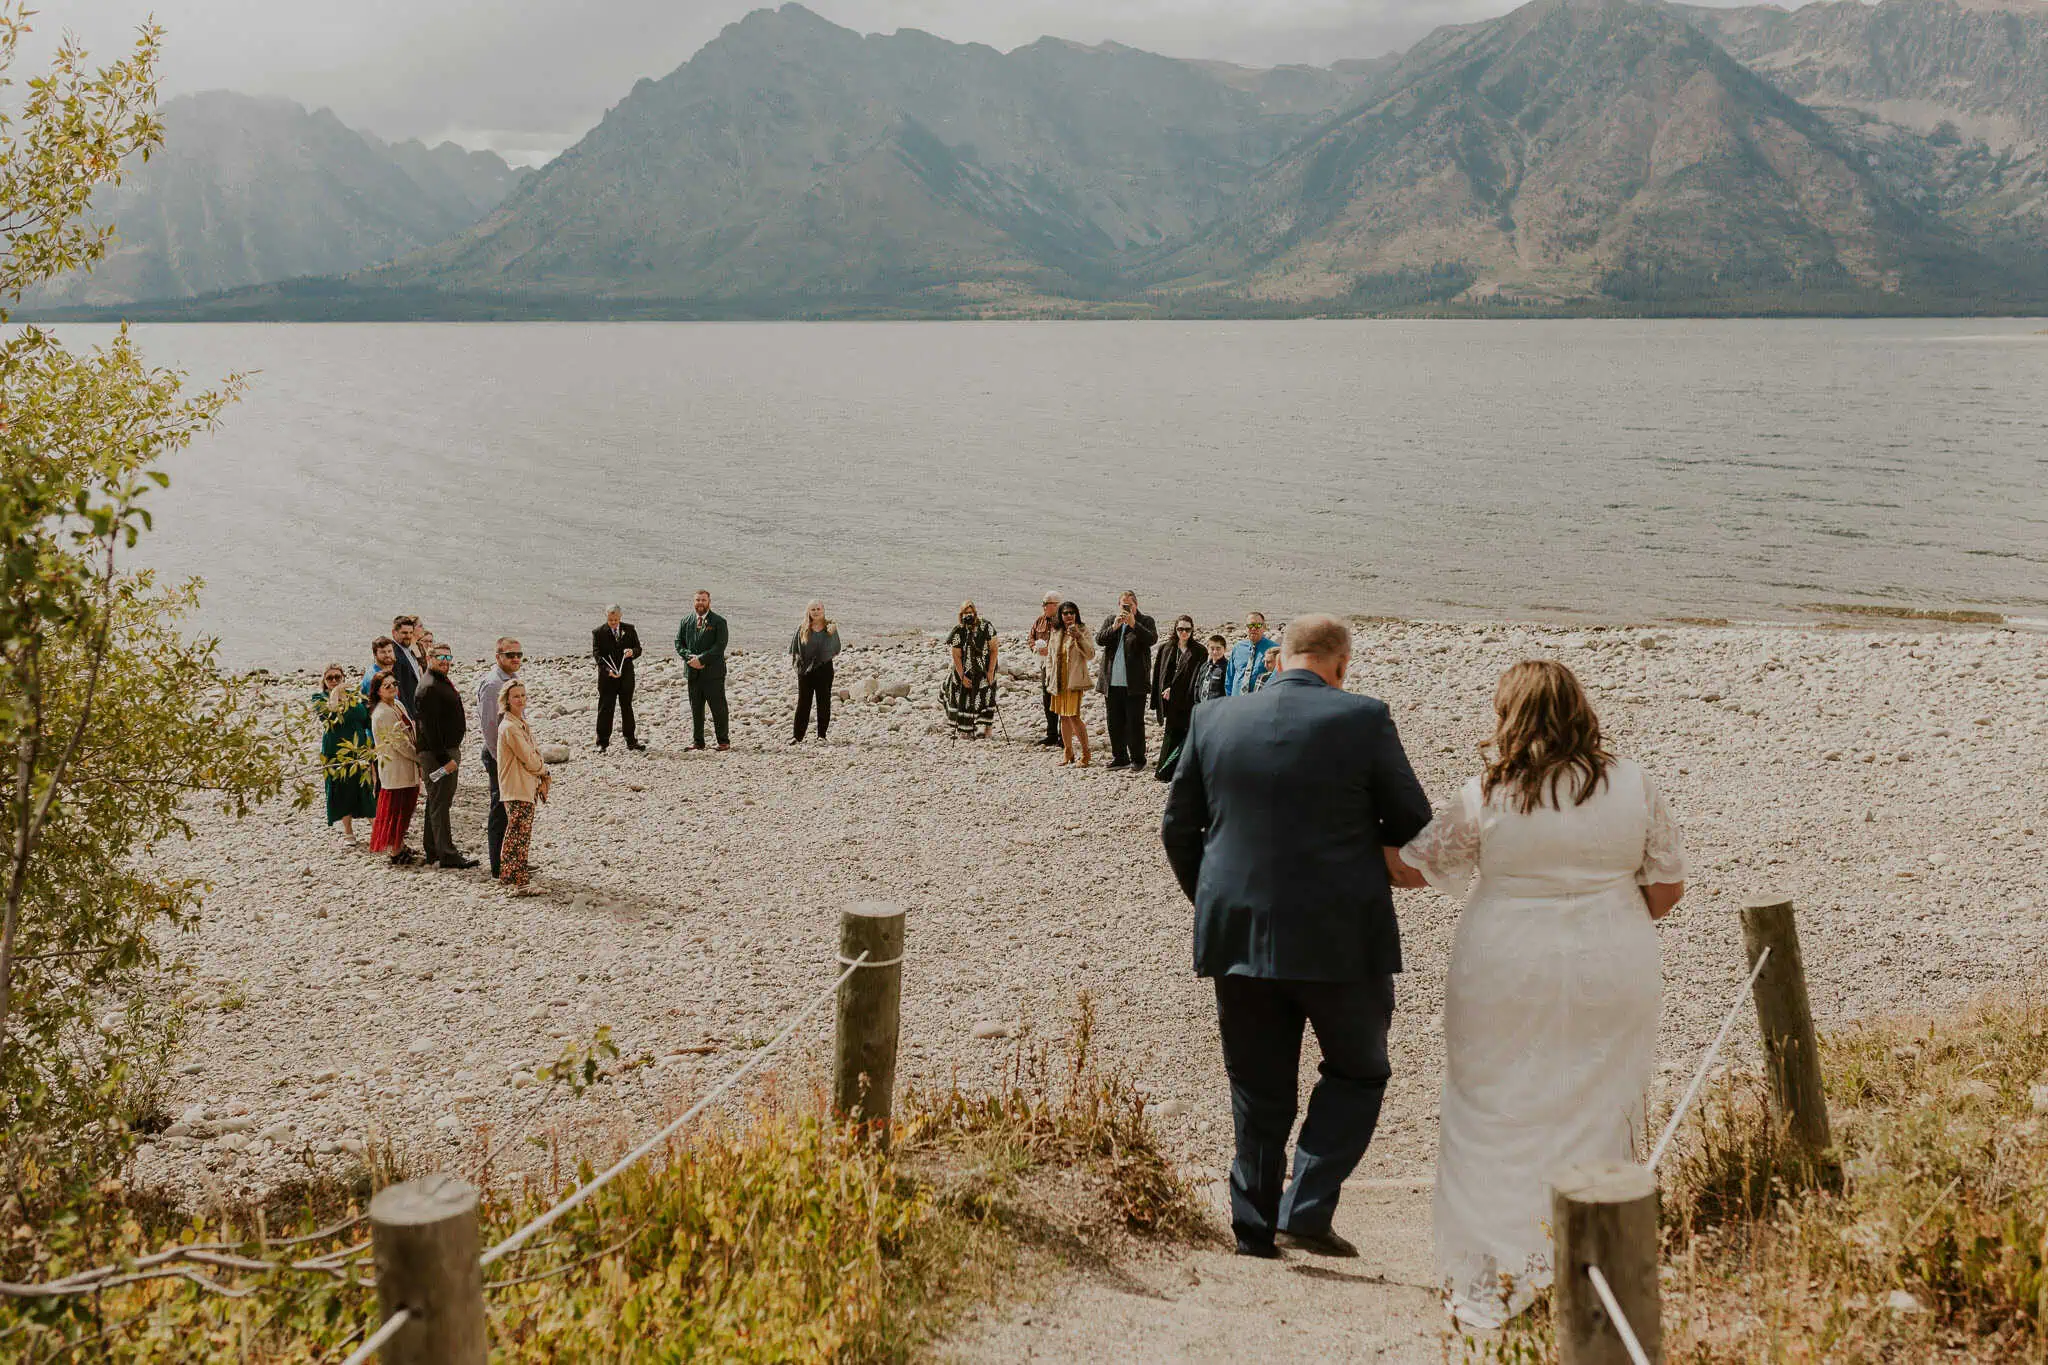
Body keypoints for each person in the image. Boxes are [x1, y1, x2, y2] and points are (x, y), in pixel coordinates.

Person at [1394, 660, 1687, 1329]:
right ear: (1580, 709)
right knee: (1603, 1099)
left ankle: (1493, 1271)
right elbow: (1667, 888)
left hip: (1503, 964)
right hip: (1613, 960)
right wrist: (1602, 904)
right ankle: (1588, 1256)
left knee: (1491, 1108)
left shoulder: (1487, 793)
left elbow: (1415, 868)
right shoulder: (1635, 784)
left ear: (1510, 716)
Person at [1160, 613, 1431, 1260]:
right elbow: (1415, 821)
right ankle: (1305, 1209)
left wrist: (1217, 903)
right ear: (1341, 663)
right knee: (1360, 1071)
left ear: (1279, 658)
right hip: (1342, 938)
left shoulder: (1215, 719)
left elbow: (1178, 829)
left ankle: (1253, 1228)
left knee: (1256, 1084)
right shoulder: (1364, 718)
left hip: (1239, 935)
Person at [413, 641, 477, 869]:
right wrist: (445, 760)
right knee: (440, 801)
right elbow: (428, 729)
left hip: (443, 752)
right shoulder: (429, 686)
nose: (445, 661)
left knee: (436, 800)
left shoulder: (437, 681)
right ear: (429, 658)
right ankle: (447, 854)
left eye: (448, 658)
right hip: (437, 756)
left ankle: (433, 849)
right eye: (440, 657)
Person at [495, 678, 551, 894]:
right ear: (507, 700)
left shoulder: (519, 723)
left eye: (523, 695)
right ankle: (518, 882)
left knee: (519, 834)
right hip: (517, 786)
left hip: (523, 785)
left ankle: (512, 879)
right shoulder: (510, 727)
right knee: (518, 835)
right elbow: (529, 758)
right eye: (516, 696)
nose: (520, 700)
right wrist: (544, 772)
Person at [1095, 590, 1158, 771]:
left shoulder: (1146, 621)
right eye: (1123, 604)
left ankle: (1138, 758)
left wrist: (1133, 624)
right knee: (1114, 722)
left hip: (1135, 684)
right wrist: (1114, 627)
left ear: (1136, 605)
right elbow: (1099, 640)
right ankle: (1120, 757)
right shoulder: (1111, 620)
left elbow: (1151, 639)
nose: (1126, 608)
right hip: (1112, 683)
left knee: (1134, 723)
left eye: (1129, 604)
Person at [476, 637, 522, 878]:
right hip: (498, 755)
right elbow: (488, 725)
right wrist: (501, 758)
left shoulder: (512, 680)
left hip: (510, 753)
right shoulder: (493, 684)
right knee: (499, 808)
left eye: (518, 655)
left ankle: (512, 859)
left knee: (512, 807)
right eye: (510, 655)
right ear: (498, 657)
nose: (515, 659)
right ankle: (498, 866)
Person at [315, 663, 377, 842]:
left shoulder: (355, 697)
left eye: (337, 677)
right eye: (330, 678)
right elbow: (330, 714)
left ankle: (376, 828)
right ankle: (348, 831)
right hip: (335, 750)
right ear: (324, 681)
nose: (334, 681)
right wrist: (336, 693)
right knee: (340, 788)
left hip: (359, 748)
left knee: (364, 788)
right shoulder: (319, 698)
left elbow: (366, 719)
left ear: (343, 678)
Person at [368, 672, 422, 865]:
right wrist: (420, 758)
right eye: (386, 686)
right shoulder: (382, 713)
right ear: (378, 691)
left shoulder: (397, 705)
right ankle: (395, 850)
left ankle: (399, 843)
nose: (392, 687)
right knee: (396, 809)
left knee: (406, 807)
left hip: (405, 765)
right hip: (396, 767)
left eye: (394, 683)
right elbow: (400, 743)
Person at [1150, 616, 1204, 782]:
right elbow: (1159, 673)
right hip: (1169, 700)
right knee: (1170, 734)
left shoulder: (1199, 651)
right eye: (1180, 629)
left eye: (1187, 629)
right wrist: (1161, 693)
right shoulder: (1167, 648)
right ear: (1175, 629)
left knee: (1186, 735)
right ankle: (1164, 772)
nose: (1184, 633)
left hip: (1188, 699)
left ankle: (1182, 773)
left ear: (1192, 630)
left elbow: (1198, 677)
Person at [675, 589, 730, 751]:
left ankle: (723, 741)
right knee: (696, 709)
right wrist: (689, 658)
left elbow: (720, 646)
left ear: (709, 602)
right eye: (698, 600)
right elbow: (679, 643)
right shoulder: (686, 621)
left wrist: (702, 659)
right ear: (694, 602)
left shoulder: (719, 622)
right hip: (693, 672)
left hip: (713, 673)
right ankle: (698, 742)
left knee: (718, 708)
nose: (700, 603)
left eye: (703, 600)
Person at [1045, 600, 1094, 767]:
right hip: (1058, 680)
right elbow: (1050, 657)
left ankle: (1086, 752)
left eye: (1072, 612)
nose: (1068, 616)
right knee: (1063, 716)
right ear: (1060, 615)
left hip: (1074, 680)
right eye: (1065, 613)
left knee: (1074, 716)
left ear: (1076, 614)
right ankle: (1068, 751)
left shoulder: (1083, 630)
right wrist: (1049, 678)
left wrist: (1078, 637)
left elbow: (1090, 654)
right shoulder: (1056, 631)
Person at [943, 600, 999, 739]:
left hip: (984, 667)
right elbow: (956, 654)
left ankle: (987, 728)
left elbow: (994, 649)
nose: (968, 616)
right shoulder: (959, 630)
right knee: (962, 695)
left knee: (987, 695)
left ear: (975, 613)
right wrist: (961, 674)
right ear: (961, 615)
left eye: (970, 613)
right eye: (965, 613)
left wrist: (991, 671)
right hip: (965, 667)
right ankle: (965, 728)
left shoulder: (986, 626)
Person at [594, 605, 645, 752]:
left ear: (620, 617)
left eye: (616, 620)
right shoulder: (598, 632)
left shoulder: (629, 629)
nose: (613, 622)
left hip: (626, 676)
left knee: (627, 707)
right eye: (610, 620)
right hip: (607, 678)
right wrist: (608, 670)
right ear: (606, 617)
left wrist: (632, 652)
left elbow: (638, 649)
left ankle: (631, 741)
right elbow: (597, 655)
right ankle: (602, 743)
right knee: (605, 709)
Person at [789, 600, 841, 743]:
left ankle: (821, 736)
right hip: (805, 670)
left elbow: (836, 648)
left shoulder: (830, 627)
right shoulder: (802, 628)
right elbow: (794, 650)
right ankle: (797, 736)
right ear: (808, 611)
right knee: (803, 703)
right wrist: (799, 667)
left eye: (818, 609)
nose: (816, 612)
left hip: (824, 668)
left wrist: (829, 639)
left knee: (823, 701)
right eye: (813, 609)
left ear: (823, 610)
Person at [1027, 592, 1063, 746]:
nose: (1043, 606)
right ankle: (1052, 734)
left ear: (1055, 605)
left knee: (1061, 699)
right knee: (1047, 698)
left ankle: (1063, 735)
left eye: (1045, 603)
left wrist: (1051, 649)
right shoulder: (1039, 620)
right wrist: (1035, 647)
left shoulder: (1063, 621)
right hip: (1044, 666)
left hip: (1060, 666)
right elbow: (1031, 637)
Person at [1224, 613, 1278, 696]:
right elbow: (1229, 677)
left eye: (1258, 625)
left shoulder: (1274, 649)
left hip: (1259, 703)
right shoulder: (1238, 648)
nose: (1253, 628)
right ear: (1246, 628)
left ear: (1264, 627)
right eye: (1250, 625)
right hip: (1236, 702)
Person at [387, 616, 424, 719]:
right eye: (404, 633)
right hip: (408, 710)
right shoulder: (394, 655)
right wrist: (407, 716)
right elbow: (400, 690)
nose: (408, 636)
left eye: (411, 633)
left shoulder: (408, 650)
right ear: (394, 633)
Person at [360, 636, 397, 701]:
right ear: (375, 654)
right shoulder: (373, 678)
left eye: (390, 651)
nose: (387, 655)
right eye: (383, 652)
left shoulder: (386, 672)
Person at [1197, 634, 1230, 706]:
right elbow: (1197, 685)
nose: (1215, 652)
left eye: (1218, 648)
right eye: (1212, 648)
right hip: (1201, 706)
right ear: (1208, 649)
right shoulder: (1204, 666)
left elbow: (1227, 691)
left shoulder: (1227, 668)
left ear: (1225, 649)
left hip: (1217, 709)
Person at [1250, 627, 1286, 693]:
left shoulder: (1264, 678)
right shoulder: (1263, 677)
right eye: (1264, 662)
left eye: (1269, 662)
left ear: (1279, 661)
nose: (1265, 665)